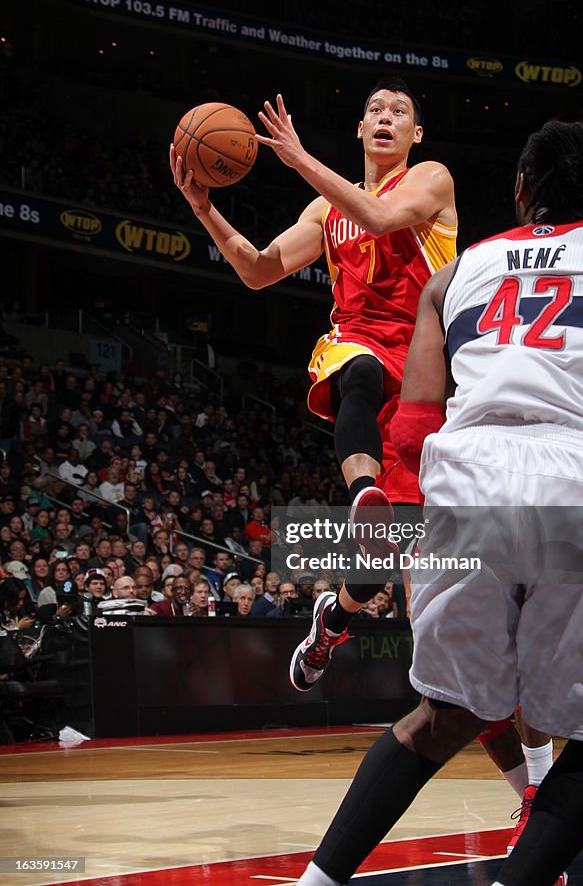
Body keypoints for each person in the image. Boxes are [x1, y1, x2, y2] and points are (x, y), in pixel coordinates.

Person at [294, 119, 583, 886]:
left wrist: (403, 511)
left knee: (441, 716)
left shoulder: (457, 270)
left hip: (464, 485)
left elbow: (412, 419)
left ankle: (315, 883)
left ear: (519, 191)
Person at [171, 78, 457, 689]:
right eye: (374, 109)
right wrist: (204, 208)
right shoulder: (326, 211)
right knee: (360, 368)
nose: (386, 117)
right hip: (360, 343)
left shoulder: (433, 178)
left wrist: (299, 159)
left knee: (388, 567)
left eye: (399, 111)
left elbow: (379, 216)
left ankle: (334, 619)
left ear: (415, 134)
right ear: (360, 129)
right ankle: (363, 495)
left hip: (427, 372)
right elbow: (256, 269)